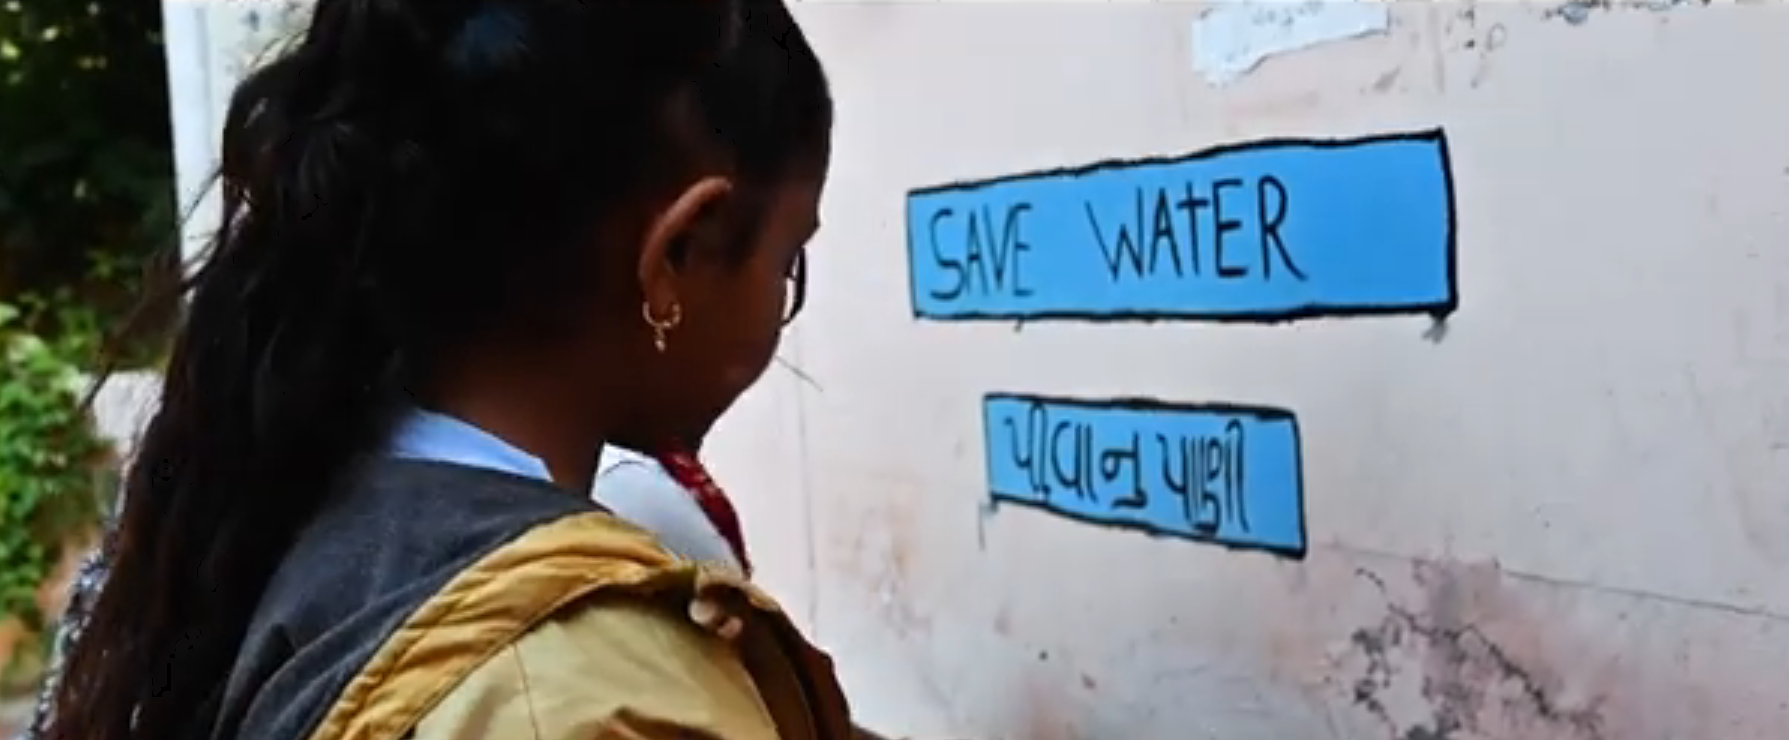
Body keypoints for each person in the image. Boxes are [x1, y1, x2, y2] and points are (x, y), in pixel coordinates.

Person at [37, 1, 861, 739]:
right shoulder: (584, 694)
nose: (780, 307)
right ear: (676, 254)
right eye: (788, 260)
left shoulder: (280, 499)